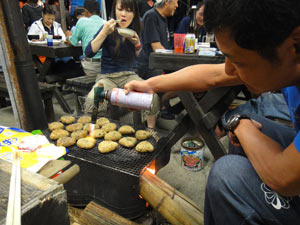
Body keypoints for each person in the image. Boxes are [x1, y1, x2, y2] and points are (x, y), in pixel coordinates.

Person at [125, 0, 300, 224]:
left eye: (237, 61)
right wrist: (151, 85)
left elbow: (283, 177)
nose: (229, 69)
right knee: (253, 126)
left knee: (226, 174)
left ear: (295, 44)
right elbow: (213, 76)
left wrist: (240, 123)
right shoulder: (287, 57)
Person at [84, 0, 160, 129]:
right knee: (93, 99)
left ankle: (151, 131)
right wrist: (104, 32)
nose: (124, 14)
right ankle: (95, 132)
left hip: (129, 75)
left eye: (129, 11)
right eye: (120, 9)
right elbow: (89, 52)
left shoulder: (137, 29)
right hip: (107, 76)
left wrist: (137, 45)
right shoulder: (107, 28)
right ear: (114, 11)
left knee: (152, 97)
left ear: (134, 13)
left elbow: (141, 59)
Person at [136, 0, 178, 80]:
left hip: (160, 65)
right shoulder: (152, 16)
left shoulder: (163, 18)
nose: (177, 5)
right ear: (166, 2)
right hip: (151, 68)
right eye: (176, 2)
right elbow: (157, 48)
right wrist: (174, 61)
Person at [66, 0, 105, 77]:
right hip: (105, 65)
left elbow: (73, 42)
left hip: (91, 66)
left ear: (86, 11)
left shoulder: (82, 21)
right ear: (99, 12)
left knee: (73, 68)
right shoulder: (105, 23)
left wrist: (68, 36)